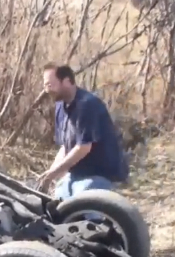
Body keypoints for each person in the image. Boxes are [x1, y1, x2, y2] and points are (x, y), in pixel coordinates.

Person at [36, 63, 129, 200]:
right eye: (45, 85)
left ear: (67, 81)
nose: (47, 90)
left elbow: (83, 147)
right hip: (76, 175)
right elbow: (65, 147)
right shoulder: (60, 107)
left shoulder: (86, 105)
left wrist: (52, 174)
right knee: (56, 208)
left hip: (98, 174)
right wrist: (50, 175)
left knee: (83, 208)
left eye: (50, 85)